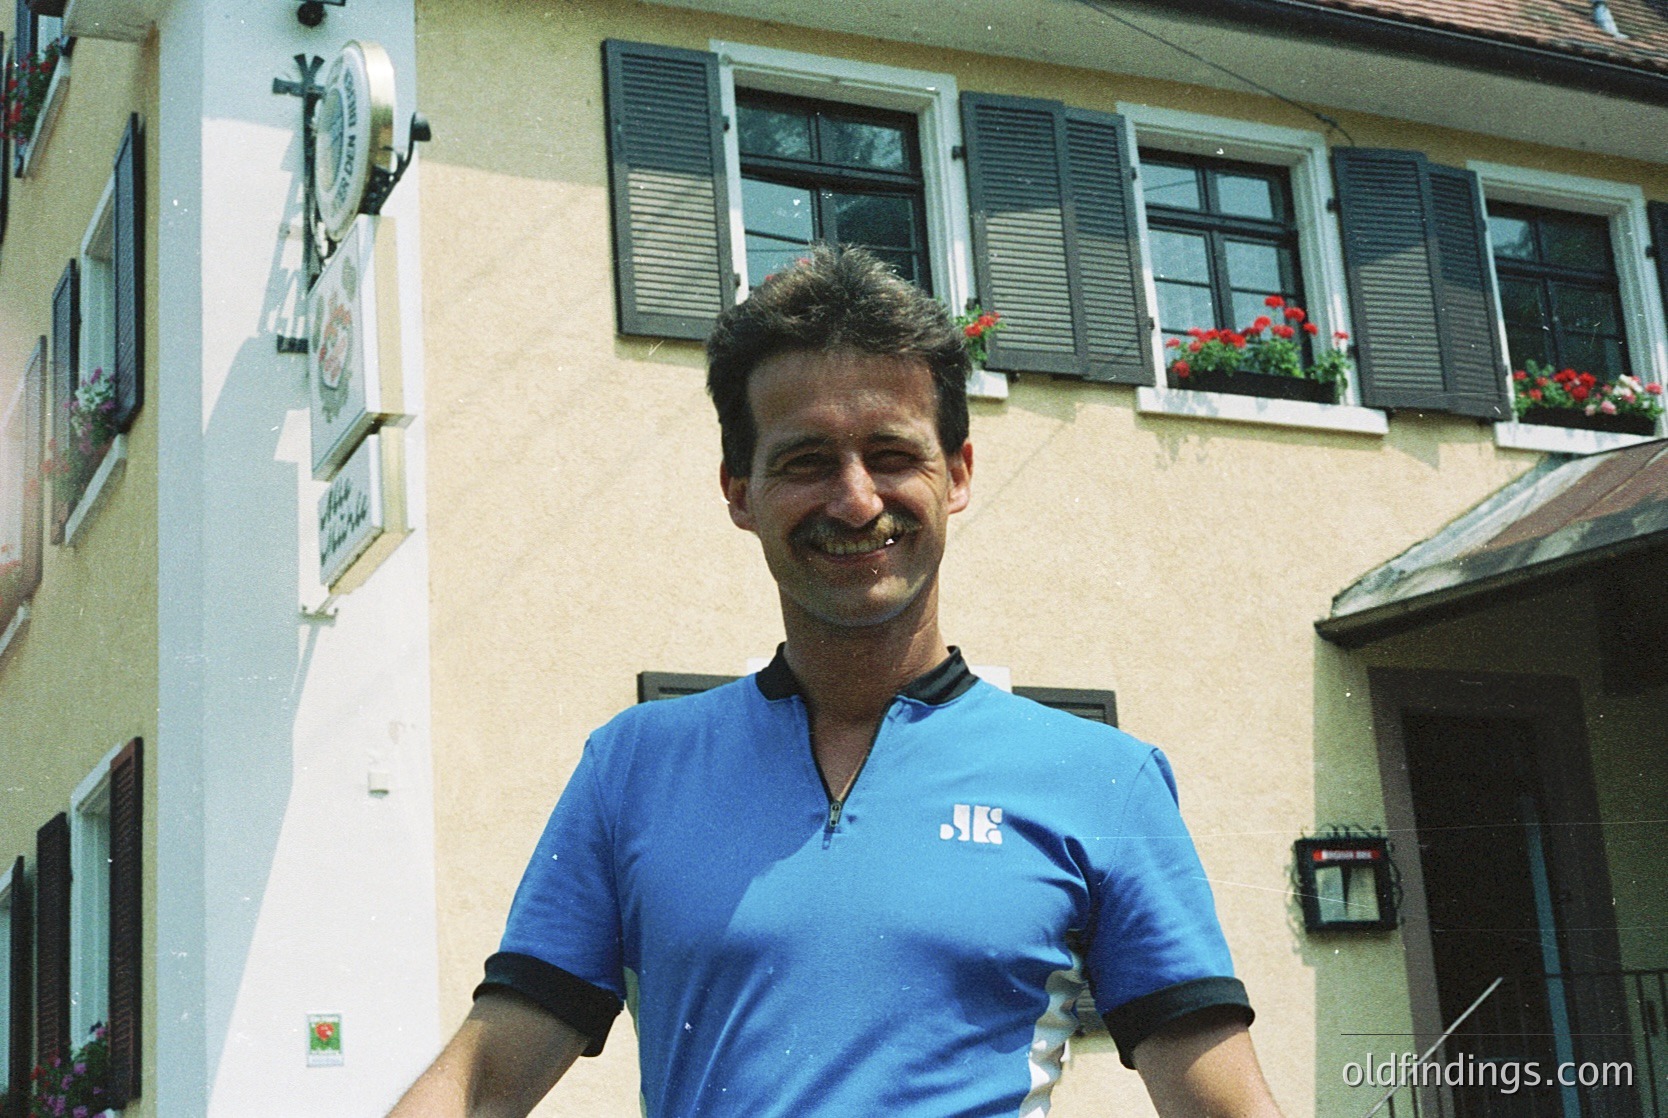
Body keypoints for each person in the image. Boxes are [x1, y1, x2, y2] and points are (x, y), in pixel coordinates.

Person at [389, 247, 1284, 1118]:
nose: (856, 501)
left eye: (891, 454)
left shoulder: (1104, 780)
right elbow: (481, 1084)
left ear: (957, 474)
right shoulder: (630, 767)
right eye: (806, 461)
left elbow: (1224, 1107)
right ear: (740, 492)